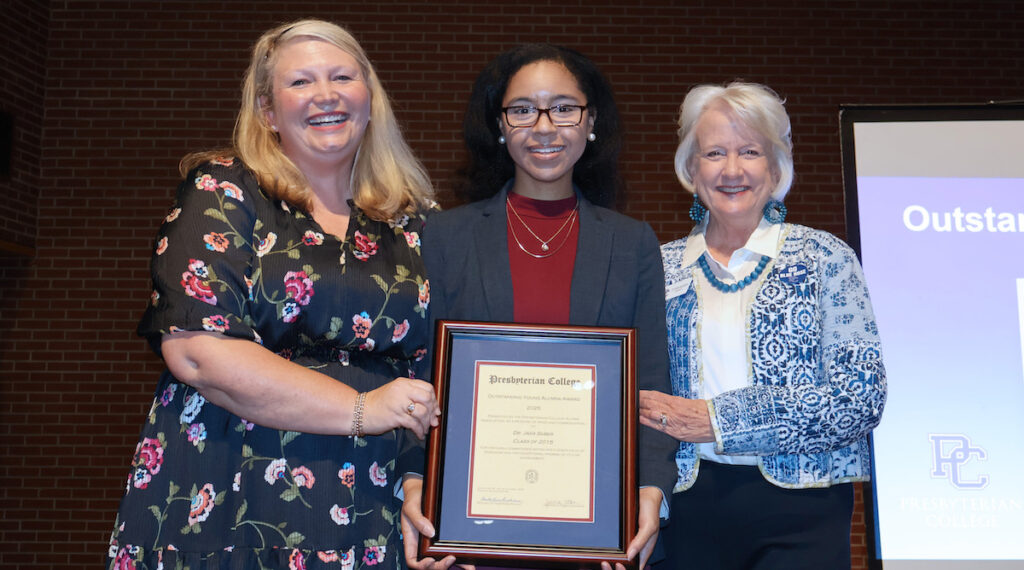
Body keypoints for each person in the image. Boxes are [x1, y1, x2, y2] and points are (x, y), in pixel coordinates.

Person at [106, 19, 441, 569]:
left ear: (369, 97)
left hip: (376, 495)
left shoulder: (414, 221)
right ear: (267, 111)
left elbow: (438, 365)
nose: (326, 95)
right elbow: (198, 352)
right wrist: (362, 408)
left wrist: (418, 478)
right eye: (301, 83)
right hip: (230, 476)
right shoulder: (225, 189)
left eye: (342, 77)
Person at [399, 44, 678, 570]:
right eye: (523, 109)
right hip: (466, 529)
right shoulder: (443, 238)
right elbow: (418, 372)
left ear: (590, 121)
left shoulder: (632, 243)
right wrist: (416, 480)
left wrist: (650, 489)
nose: (544, 126)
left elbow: (651, 382)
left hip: (596, 531)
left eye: (564, 108)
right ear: (500, 126)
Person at [640, 81, 887, 569]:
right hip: (685, 508)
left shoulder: (825, 259)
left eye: (750, 152)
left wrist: (720, 419)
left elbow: (861, 397)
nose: (732, 170)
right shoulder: (657, 267)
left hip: (805, 511)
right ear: (691, 169)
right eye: (713, 153)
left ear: (775, 169)